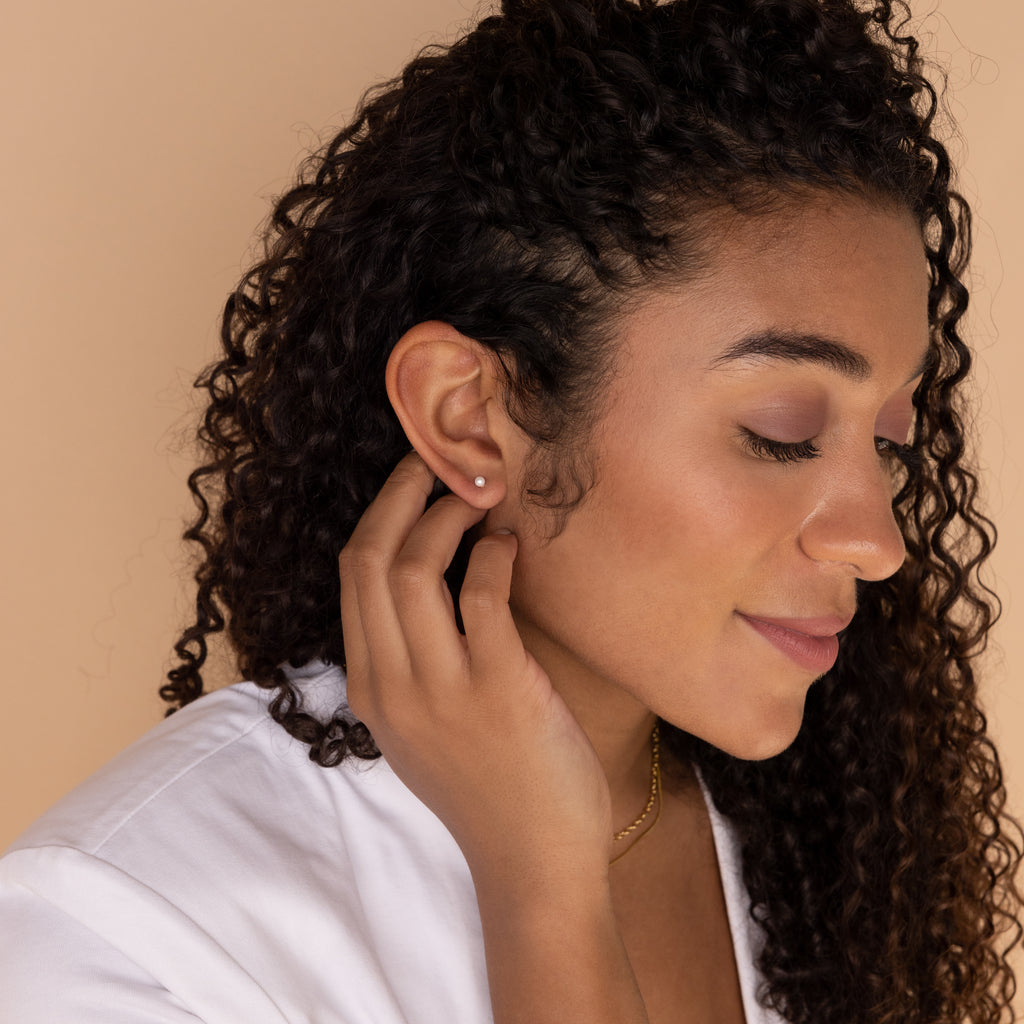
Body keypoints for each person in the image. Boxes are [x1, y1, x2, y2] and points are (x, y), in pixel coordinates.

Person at [1, 0, 1020, 1021]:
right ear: (471, 417)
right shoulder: (129, 938)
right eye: (781, 430)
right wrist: (544, 896)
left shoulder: (824, 847)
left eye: (890, 438)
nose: (877, 542)